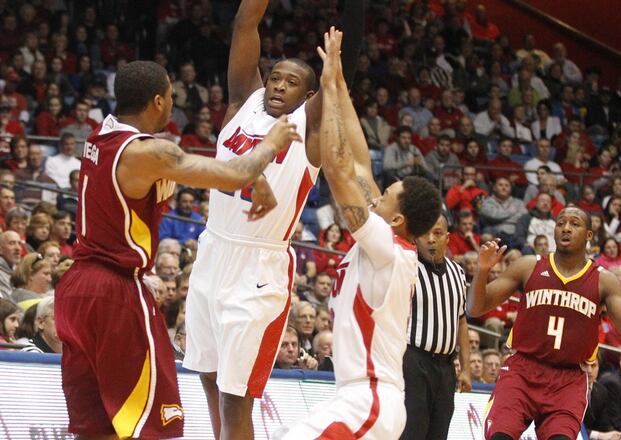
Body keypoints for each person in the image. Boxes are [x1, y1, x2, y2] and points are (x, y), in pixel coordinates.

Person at [53, 60, 298, 440]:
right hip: (115, 292)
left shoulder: (102, 135)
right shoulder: (147, 153)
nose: (172, 103)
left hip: (75, 290)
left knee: (96, 426)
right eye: (170, 96)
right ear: (157, 101)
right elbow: (233, 175)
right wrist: (270, 146)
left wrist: (256, 177)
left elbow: (205, 169)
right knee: (152, 427)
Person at [182, 1, 364, 438]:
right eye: (276, 77)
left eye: (292, 82)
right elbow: (245, 22)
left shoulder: (309, 126)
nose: (279, 86)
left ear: (309, 95)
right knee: (208, 378)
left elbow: (342, 75)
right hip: (212, 251)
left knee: (235, 398)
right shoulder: (245, 102)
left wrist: (344, 41)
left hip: (257, 270)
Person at [276, 28, 441, 439]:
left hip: (369, 400)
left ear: (399, 219)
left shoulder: (389, 248)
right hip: (357, 398)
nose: (378, 194)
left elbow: (336, 166)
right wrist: (336, 80)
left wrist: (327, 96)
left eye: (387, 195)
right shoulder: (385, 236)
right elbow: (360, 161)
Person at [467, 205, 621, 440]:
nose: (566, 229)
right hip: (522, 371)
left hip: (568, 380)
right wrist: (483, 270)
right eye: (561, 223)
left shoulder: (604, 281)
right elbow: (474, 307)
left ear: (589, 235)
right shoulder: (529, 266)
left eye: (574, 224)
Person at [402, 214, 471, 440]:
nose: (431, 239)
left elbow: (461, 321)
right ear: (415, 238)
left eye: (437, 233)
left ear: (448, 238)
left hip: (446, 367)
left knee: (439, 432)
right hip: (413, 361)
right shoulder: (406, 268)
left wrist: (467, 368)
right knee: (413, 431)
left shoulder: (458, 273)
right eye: (424, 233)